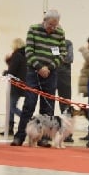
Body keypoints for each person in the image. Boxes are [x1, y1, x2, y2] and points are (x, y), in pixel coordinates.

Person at [11, 10, 66, 147]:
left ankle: (44, 138)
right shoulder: (33, 29)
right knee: (29, 105)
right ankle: (20, 137)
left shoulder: (60, 33)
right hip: (33, 72)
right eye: (50, 25)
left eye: (55, 25)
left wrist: (50, 67)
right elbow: (29, 51)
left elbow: (62, 53)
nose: (52, 28)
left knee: (47, 108)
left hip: (51, 74)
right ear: (44, 20)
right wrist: (40, 67)